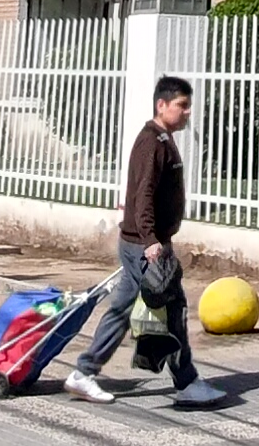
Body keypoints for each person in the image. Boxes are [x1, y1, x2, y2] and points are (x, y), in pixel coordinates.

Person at [69, 76, 223, 407]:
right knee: (173, 309)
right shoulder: (152, 142)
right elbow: (144, 195)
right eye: (182, 105)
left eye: (188, 105)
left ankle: (84, 372)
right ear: (161, 105)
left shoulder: (162, 139)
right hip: (145, 247)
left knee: (124, 309)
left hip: (139, 243)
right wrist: (152, 240)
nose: (187, 112)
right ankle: (186, 382)